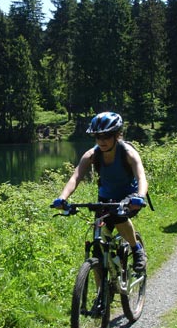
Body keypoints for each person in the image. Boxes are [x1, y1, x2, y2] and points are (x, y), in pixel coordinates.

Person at [52, 112, 148, 272]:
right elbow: (75, 177)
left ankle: (136, 249)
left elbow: (141, 177)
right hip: (105, 198)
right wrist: (62, 198)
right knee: (97, 249)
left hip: (129, 197)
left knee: (118, 216)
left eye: (106, 136)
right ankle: (101, 294)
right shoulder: (92, 155)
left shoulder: (128, 153)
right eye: (98, 137)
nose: (101, 141)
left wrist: (140, 197)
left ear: (117, 135)